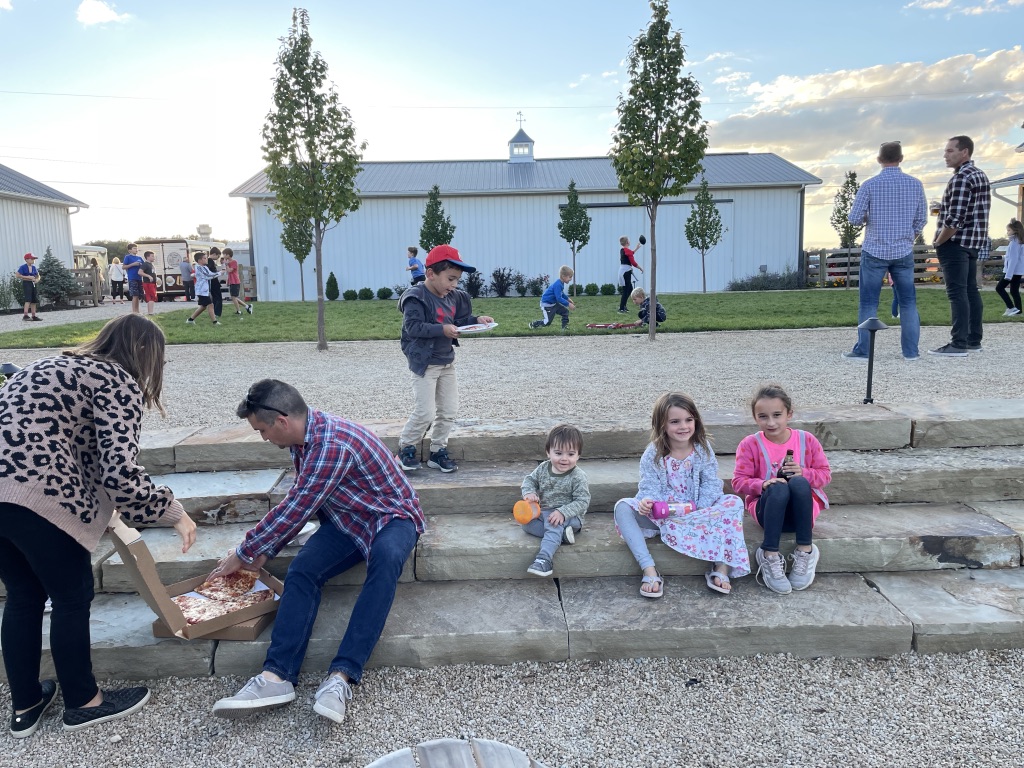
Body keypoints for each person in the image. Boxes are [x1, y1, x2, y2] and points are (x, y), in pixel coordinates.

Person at [0, 315, 197, 736]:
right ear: (145, 353)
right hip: (39, 499)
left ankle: (26, 706)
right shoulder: (116, 381)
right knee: (71, 598)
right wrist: (173, 511)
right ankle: (83, 703)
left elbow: (72, 447)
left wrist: (107, 510)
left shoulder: (47, 367)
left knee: (22, 596)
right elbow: (120, 473)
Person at [209, 379, 425, 724]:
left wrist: (245, 550)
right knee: (302, 570)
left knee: (384, 562)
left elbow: (298, 505)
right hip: (346, 520)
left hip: (391, 517)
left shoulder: (331, 444)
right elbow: (307, 498)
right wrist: (268, 549)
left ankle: (341, 677)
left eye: (262, 430)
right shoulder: (301, 438)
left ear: (281, 421)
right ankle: (277, 676)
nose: (262, 438)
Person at [613, 392, 750, 598]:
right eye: (675, 422)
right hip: (664, 515)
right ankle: (649, 569)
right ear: (662, 425)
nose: (683, 426)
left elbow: (711, 483)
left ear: (696, 421)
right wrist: (647, 502)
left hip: (698, 514)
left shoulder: (702, 449)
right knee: (622, 507)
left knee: (733, 502)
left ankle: (721, 567)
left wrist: (700, 508)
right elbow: (649, 485)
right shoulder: (653, 453)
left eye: (688, 420)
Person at [394, 245, 494, 474]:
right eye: (450, 279)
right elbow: (413, 327)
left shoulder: (453, 297)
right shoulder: (416, 297)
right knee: (425, 412)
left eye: (457, 280)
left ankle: (437, 451)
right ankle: (406, 448)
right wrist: (443, 330)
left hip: (447, 362)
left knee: (449, 410)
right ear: (430, 274)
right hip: (425, 363)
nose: (454, 285)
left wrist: (477, 319)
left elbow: (458, 321)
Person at [731, 384, 832, 595]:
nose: (771, 422)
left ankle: (805, 550)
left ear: (789, 413)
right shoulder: (750, 444)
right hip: (768, 512)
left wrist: (804, 472)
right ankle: (769, 554)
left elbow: (825, 474)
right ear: (755, 417)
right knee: (778, 488)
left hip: (802, 515)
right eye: (763, 416)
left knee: (798, 482)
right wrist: (761, 484)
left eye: (777, 415)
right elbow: (739, 481)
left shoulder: (807, 440)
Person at [842, 141, 927, 361]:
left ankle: (864, 350)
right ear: (901, 158)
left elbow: (854, 218)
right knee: (908, 302)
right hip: (903, 250)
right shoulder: (915, 184)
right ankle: (911, 352)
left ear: (879, 159)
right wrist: (909, 236)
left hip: (874, 249)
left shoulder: (870, 185)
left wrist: (869, 218)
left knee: (869, 302)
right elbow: (921, 219)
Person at [930, 135, 991, 357]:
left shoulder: (961, 178)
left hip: (955, 243)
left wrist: (938, 241)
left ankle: (958, 343)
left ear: (964, 152)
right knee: (971, 291)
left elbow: (955, 220)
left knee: (957, 293)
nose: (945, 155)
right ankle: (974, 339)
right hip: (974, 242)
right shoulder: (979, 175)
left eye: (949, 151)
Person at [520, 424, 590, 577]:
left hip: (570, 516)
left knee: (553, 525)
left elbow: (582, 501)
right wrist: (529, 492)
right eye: (558, 453)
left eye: (571, 454)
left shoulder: (578, 476)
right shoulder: (543, 468)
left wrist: (563, 512)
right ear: (548, 452)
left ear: (578, 455)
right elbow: (529, 481)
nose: (564, 459)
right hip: (545, 512)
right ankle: (563, 535)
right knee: (526, 524)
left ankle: (544, 560)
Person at [528, 265, 575, 331]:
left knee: (565, 312)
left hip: (554, 303)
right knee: (547, 322)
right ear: (563, 276)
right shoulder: (558, 284)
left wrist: (567, 299)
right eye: (570, 277)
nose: (571, 279)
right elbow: (559, 298)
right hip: (547, 305)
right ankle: (534, 324)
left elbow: (561, 293)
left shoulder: (561, 283)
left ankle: (564, 328)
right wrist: (568, 304)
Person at [996, 219, 1023, 317]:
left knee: (999, 288)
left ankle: (1011, 307)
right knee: (1014, 291)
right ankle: (1018, 311)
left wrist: (1008, 275)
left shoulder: (1014, 243)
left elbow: (1013, 259)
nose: (1007, 232)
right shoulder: (1019, 242)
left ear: (1015, 231)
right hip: (1017, 271)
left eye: (1009, 231)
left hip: (1012, 271)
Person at [186, 252, 222, 325]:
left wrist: (219, 272)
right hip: (201, 290)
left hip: (204, 290)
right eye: (204, 258)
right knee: (210, 304)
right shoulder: (199, 267)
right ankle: (214, 322)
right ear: (199, 260)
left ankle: (190, 320)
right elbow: (208, 276)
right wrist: (219, 273)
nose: (206, 259)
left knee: (203, 306)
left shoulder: (204, 267)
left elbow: (211, 274)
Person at [223, 247, 253, 316]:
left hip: (235, 281)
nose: (223, 256)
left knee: (234, 297)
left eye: (224, 254)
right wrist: (228, 281)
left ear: (228, 255)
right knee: (234, 297)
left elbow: (230, 270)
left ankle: (239, 311)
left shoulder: (234, 262)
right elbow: (228, 272)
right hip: (231, 281)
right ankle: (247, 307)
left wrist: (226, 265)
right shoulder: (228, 263)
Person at [617, 236, 643, 313]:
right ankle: (621, 308)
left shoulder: (623, 250)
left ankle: (623, 306)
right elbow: (633, 263)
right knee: (626, 290)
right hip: (625, 272)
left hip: (623, 271)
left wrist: (636, 248)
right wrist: (640, 268)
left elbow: (630, 253)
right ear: (627, 242)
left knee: (630, 289)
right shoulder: (627, 251)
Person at [15, 252, 41, 322]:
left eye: (34, 259)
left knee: (34, 300)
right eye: (32, 259)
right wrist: (27, 277)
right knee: (28, 299)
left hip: (33, 283)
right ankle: (25, 315)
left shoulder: (34, 267)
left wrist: (37, 280)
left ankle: (33, 315)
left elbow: (38, 276)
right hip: (26, 283)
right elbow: (17, 275)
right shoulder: (23, 267)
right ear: (26, 259)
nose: (33, 260)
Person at [123, 243, 144, 315]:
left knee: (138, 295)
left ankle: (137, 311)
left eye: (136, 248)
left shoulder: (140, 258)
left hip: (139, 278)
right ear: (130, 250)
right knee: (134, 295)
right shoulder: (127, 257)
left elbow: (144, 266)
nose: (136, 250)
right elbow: (124, 267)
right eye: (134, 248)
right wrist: (133, 264)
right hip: (132, 278)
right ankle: (134, 311)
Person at [207, 248, 225, 320]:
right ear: (214, 254)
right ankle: (217, 313)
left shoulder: (208, 261)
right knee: (218, 297)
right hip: (214, 281)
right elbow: (210, 272)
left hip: (212, 281)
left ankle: (214, 312)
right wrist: (219, 273)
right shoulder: (210, 261)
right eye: (218, 256)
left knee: (214, 297)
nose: (218, 258)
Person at [140, 251, 158, 316]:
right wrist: (148, 276)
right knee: (151, 296)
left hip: (152, 283)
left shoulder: (151, 264)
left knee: (153, 297)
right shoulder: (145, 264)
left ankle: (151, 311)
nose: (154, 257)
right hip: (148, 283)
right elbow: (140, 272)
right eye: (152, 256)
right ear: (147, 257)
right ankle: (150, 312)